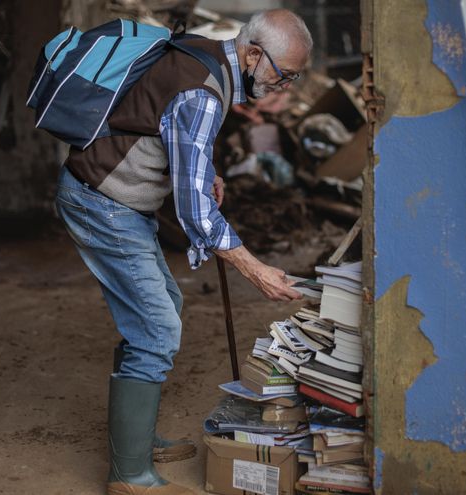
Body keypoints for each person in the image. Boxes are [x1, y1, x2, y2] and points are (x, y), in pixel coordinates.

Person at [54, 9, 313, 495]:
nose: (286, 86)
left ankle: (134, 440)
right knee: (156, 327)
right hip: (103, 204)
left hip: (116, 200)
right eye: (285, 74)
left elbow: (176, 129)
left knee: (160, 311)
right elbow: (194, 213)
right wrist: (255, 270)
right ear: (254, 54)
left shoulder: (211, 58)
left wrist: (207, 168)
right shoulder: (203, 90)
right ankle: (129, 477)